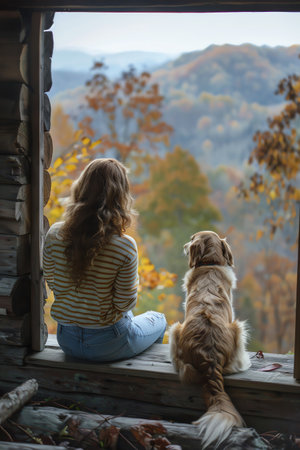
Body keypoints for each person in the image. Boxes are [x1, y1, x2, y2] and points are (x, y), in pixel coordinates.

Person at [43, 158, 167, 362]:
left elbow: (53, 282)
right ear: (120, 197)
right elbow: (124, 303)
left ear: (81, 189)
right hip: (108, 344)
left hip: (67, 341)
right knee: (159, 319)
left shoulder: (54, 233)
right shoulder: (124, 246)